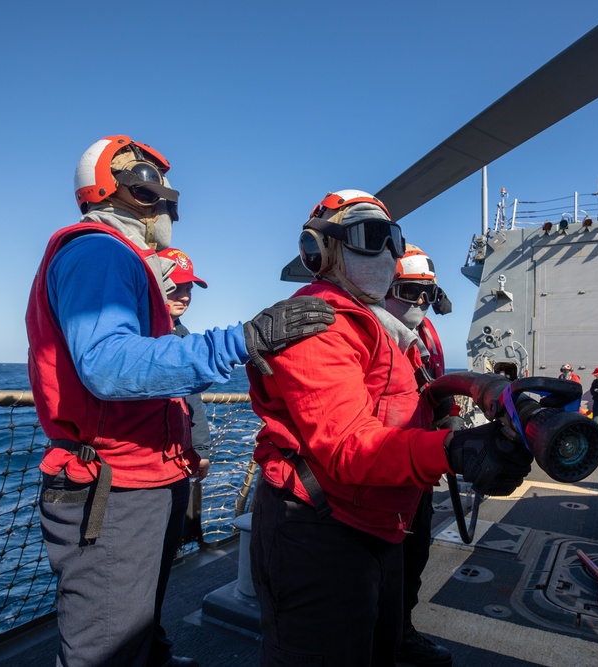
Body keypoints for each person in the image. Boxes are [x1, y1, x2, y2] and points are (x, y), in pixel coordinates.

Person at [26, 135, 335, 667]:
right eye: (154, 189)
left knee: (138, 620)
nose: (167, 200)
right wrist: (241, 341)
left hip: (146, 477)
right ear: (118, 190)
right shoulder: (99, 251)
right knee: (104, 645)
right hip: (116, 487)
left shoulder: (123, 260)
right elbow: (106, 366)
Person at [248, 189, 532, 666]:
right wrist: (454, 449)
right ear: (321, 250)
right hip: (320, 529)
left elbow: (392, 405)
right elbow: (347, 446)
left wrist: (445, 415)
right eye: (369, 236)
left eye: (392, 240)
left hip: (377, 523)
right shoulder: (319, 323)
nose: (385, 253)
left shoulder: (375, 326)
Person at [384, 245, 456, 667]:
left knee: (414, 558)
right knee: (381, 570)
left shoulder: (425, 335)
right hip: (381, 471)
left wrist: (448, 418)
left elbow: (435, 384)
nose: (421, 303)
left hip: (419, 469)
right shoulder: (369, 334)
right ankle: (381, 639)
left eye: (428, 294)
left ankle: (401, 632)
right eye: (412, 292)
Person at [159, 248, 212, 481]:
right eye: (177, 287)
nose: (185, 296)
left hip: (178, 458)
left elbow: (192, 399)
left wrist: (201, 449)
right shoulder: (138, 334)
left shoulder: (183, 335)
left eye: (188, 289)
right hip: (150, 459)